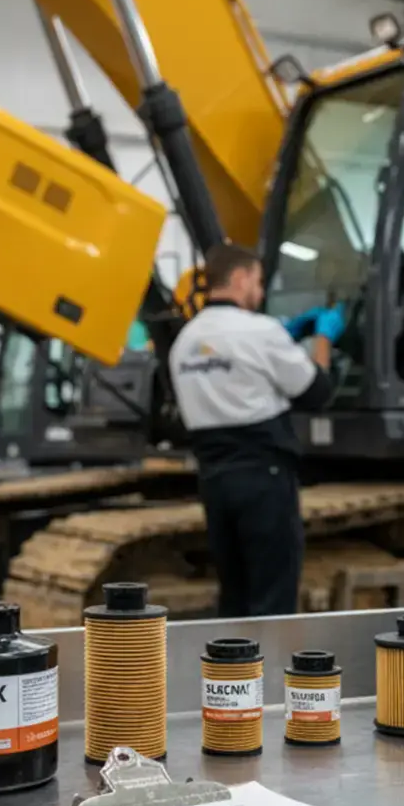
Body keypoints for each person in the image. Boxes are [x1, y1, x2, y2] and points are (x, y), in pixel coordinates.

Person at [169, 242, 346, 617]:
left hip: (215, 481)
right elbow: (317, 392)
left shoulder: (183, 343)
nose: (260, 292)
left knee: (234, 596)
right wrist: (323, 339)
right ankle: (268, 675)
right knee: (272, 600)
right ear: (239, 278)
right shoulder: (260, 331)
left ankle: (231, 675)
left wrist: (284, 336)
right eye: (258, 281)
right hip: (264, 481)